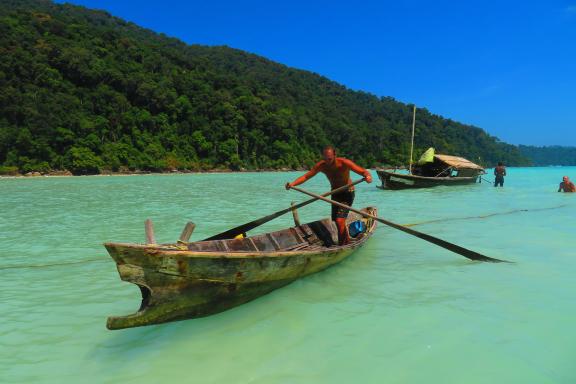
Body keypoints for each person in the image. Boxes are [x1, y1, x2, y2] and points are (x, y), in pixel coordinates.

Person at [285, 146, 372, 245]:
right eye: (325, 159)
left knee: (340, 221)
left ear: (335, 155)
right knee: (336, 221)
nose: (327, 161)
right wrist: (292, 184)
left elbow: (362, 171)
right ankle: (345, 239)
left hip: (347, 193)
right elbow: (306, 176)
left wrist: (368, 177)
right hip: (334, 193)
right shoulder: (322, 166)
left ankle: (343, 245)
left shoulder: (344, 163)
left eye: (329, 159)